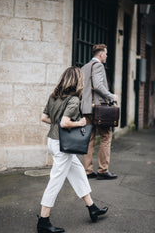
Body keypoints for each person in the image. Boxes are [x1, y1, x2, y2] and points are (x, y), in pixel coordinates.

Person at [37, 66, 108, 233]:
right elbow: (64, 123)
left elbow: (44, 117)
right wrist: (80, 123)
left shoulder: (54, 96)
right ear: (78, 82)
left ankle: (92, 208)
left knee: (78, 173)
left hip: (53, 142)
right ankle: (43, 221)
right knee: (55, 181)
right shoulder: (74, 100)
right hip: (63, 146)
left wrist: (60, 122)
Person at [81, 44, 118, 180]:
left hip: (86, 108)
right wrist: (111, 96)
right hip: (98, 109)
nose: (107, 56)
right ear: (101, 54)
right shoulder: (98, 66)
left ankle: (88, 171)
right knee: (106, 137)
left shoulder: (84, 67)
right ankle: (103, 170)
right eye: (106, 54)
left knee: (89, 139)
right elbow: (97, 85)